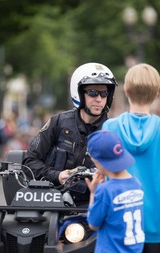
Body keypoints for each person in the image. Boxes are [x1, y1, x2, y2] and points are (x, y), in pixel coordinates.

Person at [102, 63, 160, 253]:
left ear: (126, 91)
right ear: (156, 94)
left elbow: (104, 178)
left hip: (119, 225)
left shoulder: (110, 127)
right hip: (155, 225)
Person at [23, 62, 117, 202]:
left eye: (104, 93)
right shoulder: (59, 122)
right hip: (53, 202)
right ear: (78, 93)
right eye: (93, 93)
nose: (99, 99)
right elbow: (29, 161)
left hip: (92, 204)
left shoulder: (112, 130)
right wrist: (56, 175)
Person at [85, 130, 144, 253]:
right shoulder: (136, 183)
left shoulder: (105, 190)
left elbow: (93, 224)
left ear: (97, 162)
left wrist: (93, 193)